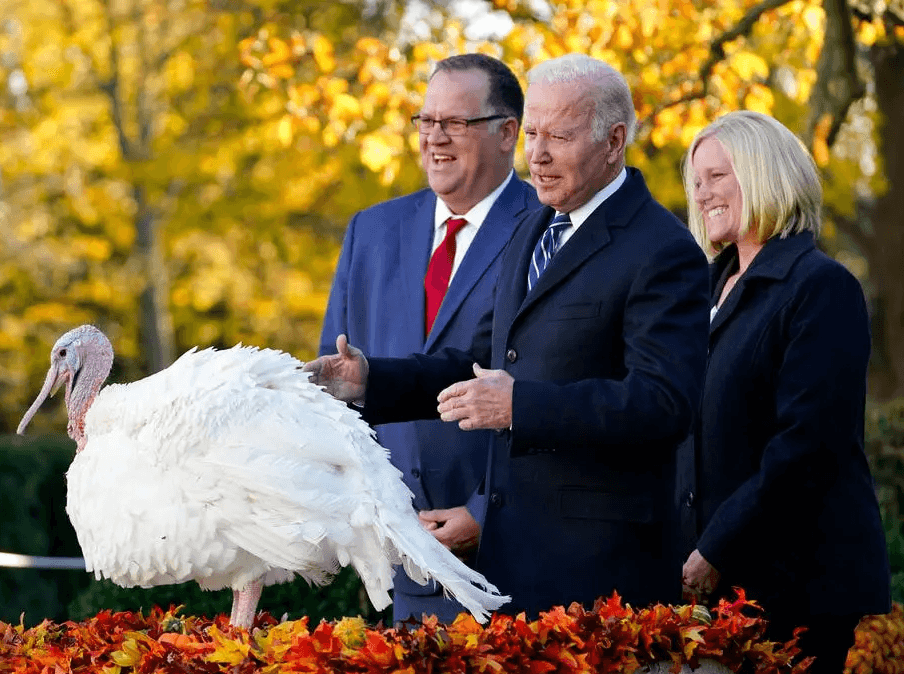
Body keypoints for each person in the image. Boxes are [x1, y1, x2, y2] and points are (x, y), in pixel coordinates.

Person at [307, 53, 711, 617]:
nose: (538, 156)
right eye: (534, 135)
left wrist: (522, 405)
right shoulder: (534, 227)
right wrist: (372, 380)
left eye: (560, 137)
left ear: (614, 141)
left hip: (602, 582)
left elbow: (664, 404)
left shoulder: (662, 250)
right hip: (512, 574)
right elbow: (476, 361)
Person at [318, 53, 539, 624]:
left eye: (455, 123)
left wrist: (484, 512)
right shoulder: (372, 230)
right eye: (425, 120)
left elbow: (556, 384)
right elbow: (337, 392)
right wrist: (366, 518)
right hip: (400, 566)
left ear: (507, 133)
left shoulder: (548, 226)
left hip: (520, 560)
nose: (434, 138)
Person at [677, 110, 891, 674]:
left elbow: (806, 445)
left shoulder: (821, 287)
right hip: (713, 578)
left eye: (718, 177)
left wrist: (716, 548)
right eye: (696, 181)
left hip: (794, 583)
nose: (702, 194)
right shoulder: (703, 291)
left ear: (765, 174)